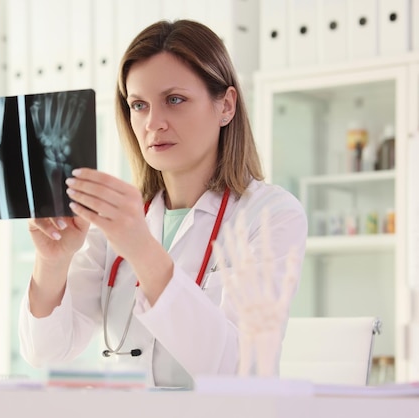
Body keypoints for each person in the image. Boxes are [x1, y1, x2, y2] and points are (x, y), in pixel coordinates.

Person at [18, 19, 307, 389]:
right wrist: (52, 262)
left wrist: (142, 249)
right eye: (139, 105)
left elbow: (243, 371)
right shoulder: (119, 218)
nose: (154, 123)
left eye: (174, 100)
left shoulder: (270, 215)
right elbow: (45, 352)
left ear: (226, 106)